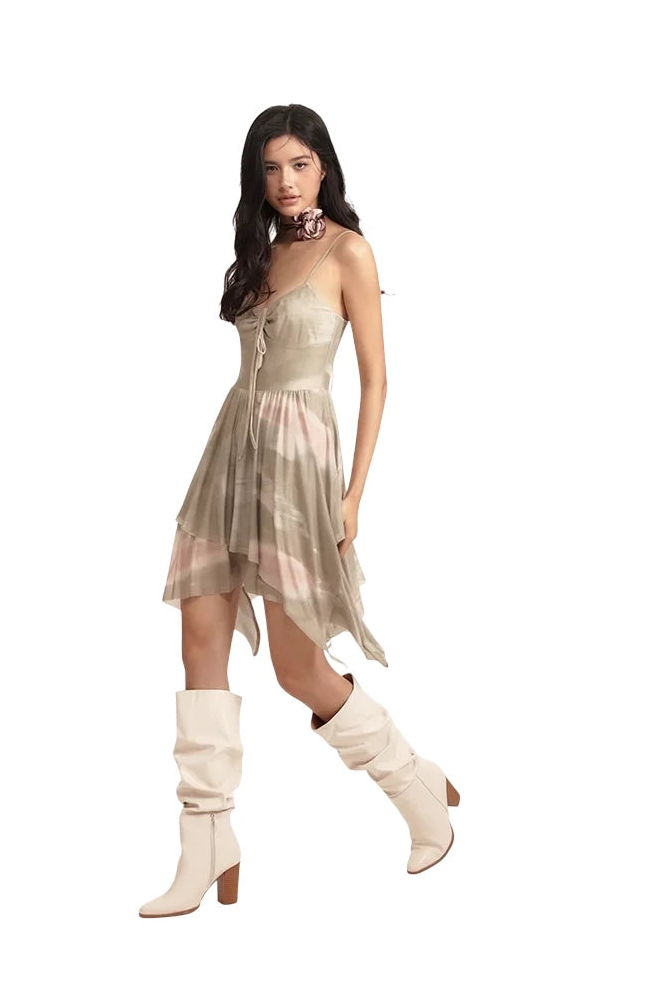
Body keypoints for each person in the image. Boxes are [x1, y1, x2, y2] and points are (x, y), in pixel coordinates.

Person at [139, 104, 460, 919]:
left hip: (299, 460)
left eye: (299, 164)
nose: (285, 182)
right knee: (198, 636)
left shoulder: (349, 251)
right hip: (230, 454)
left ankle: (415, 786)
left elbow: (377, 381)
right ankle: (206, 841)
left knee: (297, 668)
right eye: (271, 168)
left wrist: (352, 495)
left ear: (324, 166)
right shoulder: (260, 253)